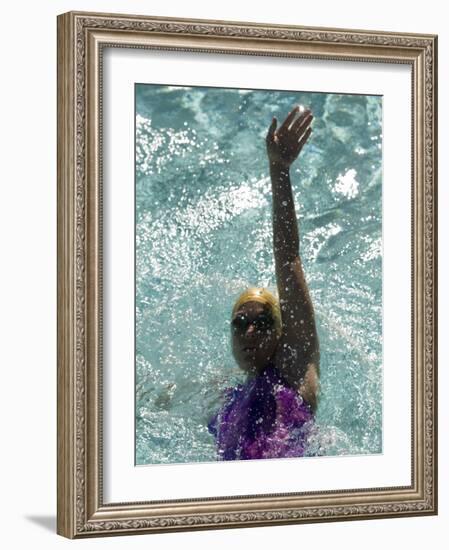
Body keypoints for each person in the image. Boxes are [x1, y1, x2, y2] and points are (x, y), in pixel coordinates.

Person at [208, 105, 320, 460]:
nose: (250, 332)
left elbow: (288, 257)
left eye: (262, 322)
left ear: (281, 330)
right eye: (241, 323)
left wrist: (279, 170)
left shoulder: (293, 368)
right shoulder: (229, 398)